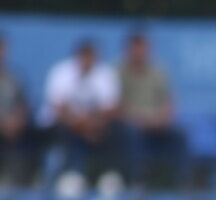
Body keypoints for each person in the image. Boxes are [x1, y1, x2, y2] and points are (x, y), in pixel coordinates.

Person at [40, 38, 120, 191]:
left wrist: (91, 124)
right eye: (85, 57)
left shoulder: (104, 74)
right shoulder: (61, 72)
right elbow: (58, 107)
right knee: (65, 131)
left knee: (116, 130)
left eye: (92, 57)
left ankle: (109, 177)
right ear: (78, 56)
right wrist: (81, 124)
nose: (88, 61)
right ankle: (71, 176)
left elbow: (111, 108)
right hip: (66, 124)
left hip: (94, 125)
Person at [116, 30, 178, 188]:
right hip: (129, 124)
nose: (139, 53)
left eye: (143, 48)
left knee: (181, 135)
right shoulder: (117, 72)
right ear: (128, 49)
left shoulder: (158, 72)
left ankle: (181, 188)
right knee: (132, 133)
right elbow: (115, 105)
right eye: (136, 48)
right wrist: (140, 119)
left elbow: (168, 102)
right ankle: (137, 184)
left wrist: (160, 119)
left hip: (156, 124)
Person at [0, 34, 32, 187]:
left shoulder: (14, 78)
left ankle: (16, 183)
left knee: (25, 134)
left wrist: (17, 121)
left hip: (12, 129)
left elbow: (23, 105)